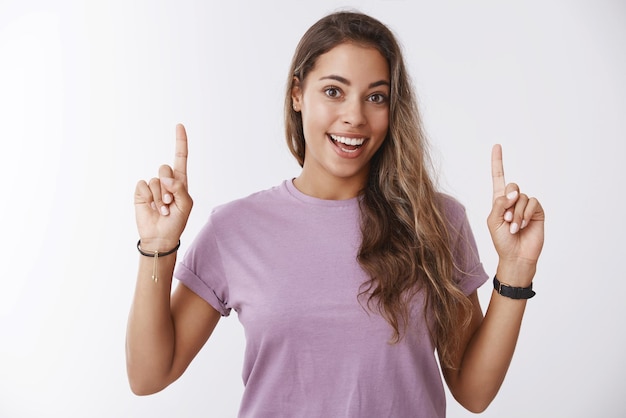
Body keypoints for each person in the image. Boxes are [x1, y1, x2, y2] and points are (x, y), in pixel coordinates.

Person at [126, 10, 544, 418]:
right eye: (333, 91)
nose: (355, 116)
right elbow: (148, 376)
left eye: (375, 97)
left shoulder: (436, 220)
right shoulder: (234, 228)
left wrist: (516, 269)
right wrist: (158, 247)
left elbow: (473, 392)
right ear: (297, 94)